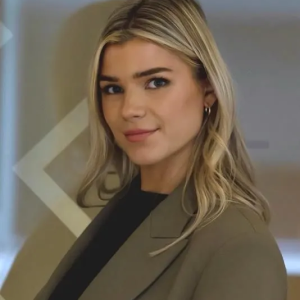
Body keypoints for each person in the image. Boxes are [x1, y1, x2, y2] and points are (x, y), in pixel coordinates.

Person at [34, 0, 287, 299]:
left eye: (156, 82)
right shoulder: (120, 210)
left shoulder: (239, 247)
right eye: (113, 89)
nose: (129, 109)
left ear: (208, 90)